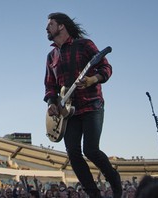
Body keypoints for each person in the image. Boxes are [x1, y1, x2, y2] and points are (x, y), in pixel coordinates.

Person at [43, 12, 122, 198]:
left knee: (91, 150)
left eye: (50, 24)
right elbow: (50, 86)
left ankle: (114, 179)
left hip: (91, 105)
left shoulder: (84, 45)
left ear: (61, 26)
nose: (47, 28)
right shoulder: (51, 55)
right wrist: (51, 103)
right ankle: (93, 194)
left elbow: (106, 68)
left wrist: (92, 79)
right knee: (73, 153)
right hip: (67, 112)